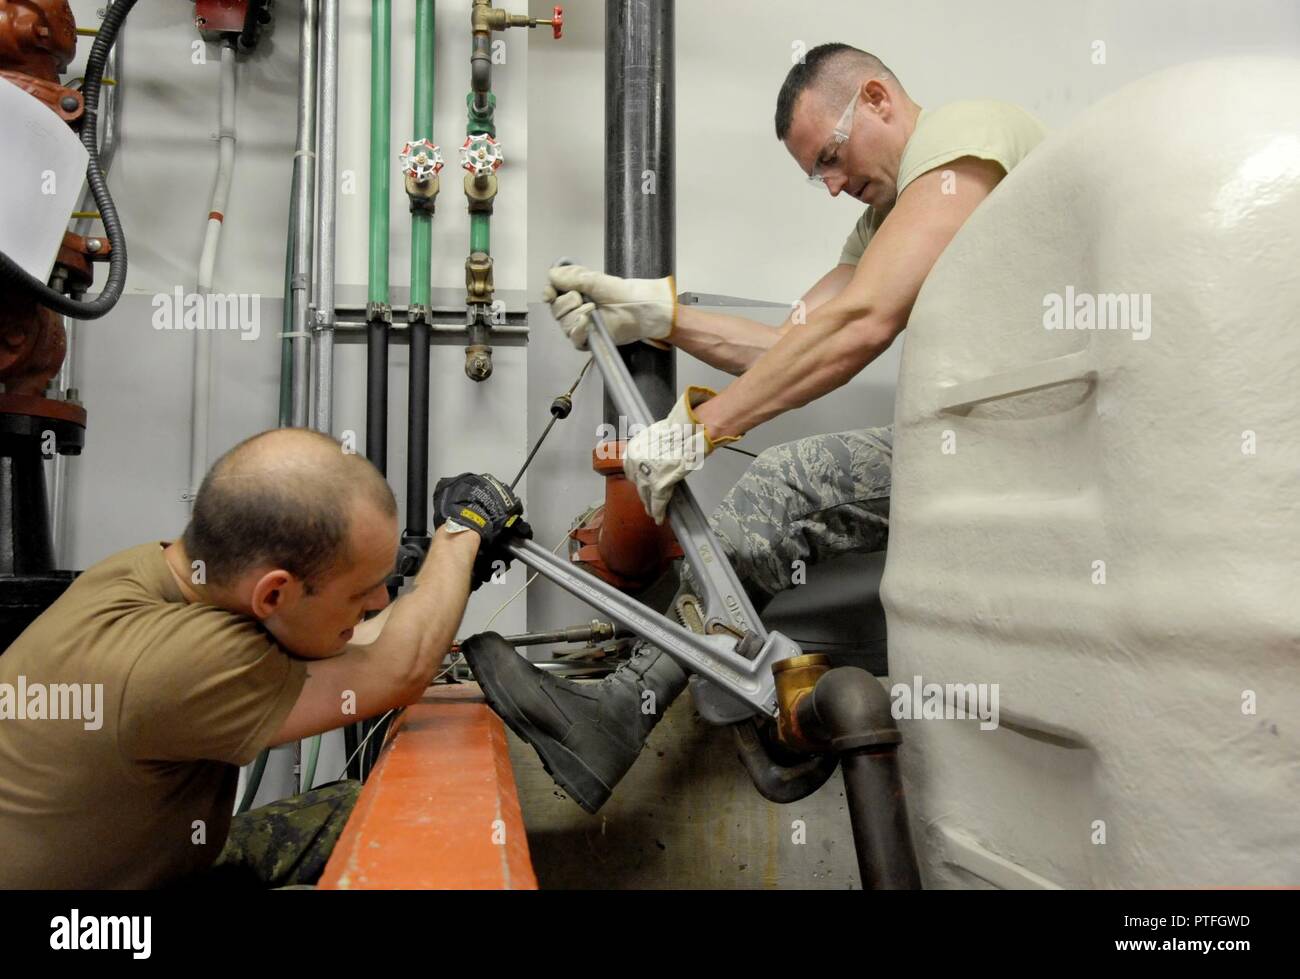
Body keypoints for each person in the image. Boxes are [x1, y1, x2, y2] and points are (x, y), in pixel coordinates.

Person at [464, 43, 1047, 813]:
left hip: (1041, 443)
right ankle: (628, 705)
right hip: (986, 441)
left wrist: (703, 432)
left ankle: (621, 708)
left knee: (786, 481)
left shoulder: (964, 141)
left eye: (832, 158)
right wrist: (661, 316)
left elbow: (860, 323)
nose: (833, 186)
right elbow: (794, 344)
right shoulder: (884, 220)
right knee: (781, 482)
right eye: (819, 175)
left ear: (877, 98)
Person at [0, 427, 528, 887]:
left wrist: (459, 568)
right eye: (360, 593)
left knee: (354, 808)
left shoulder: (164, 575)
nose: (380, 603)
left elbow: (352, 647)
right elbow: (395, 670)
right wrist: (460, 535)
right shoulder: (183, 662)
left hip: (139, 865)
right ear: (273, 595)